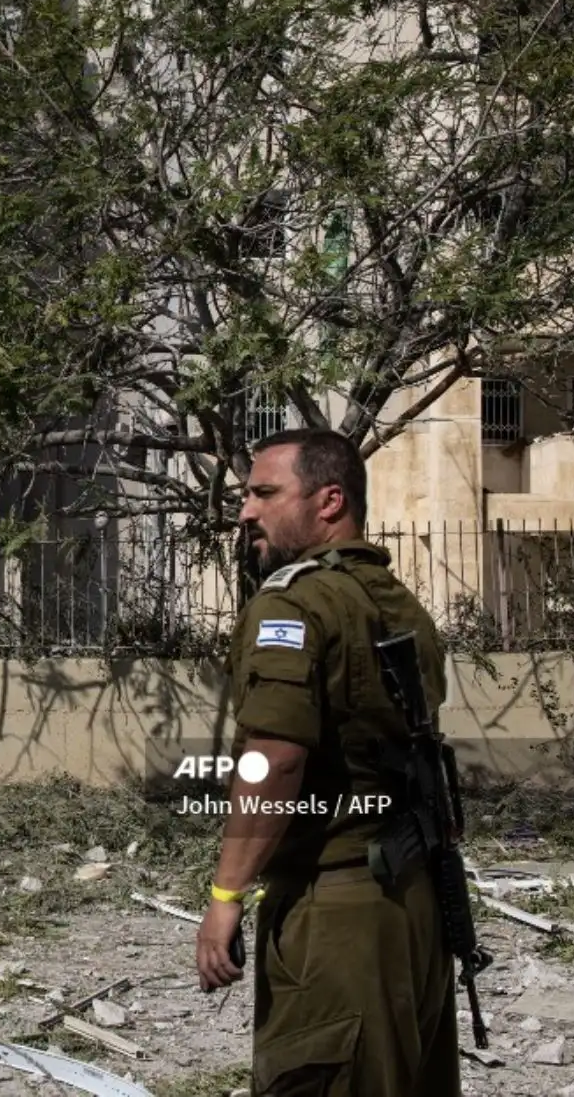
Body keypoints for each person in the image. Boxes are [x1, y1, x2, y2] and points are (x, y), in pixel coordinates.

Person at [194, 427, 460, 1096]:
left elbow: (276, 759)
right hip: (412, 905)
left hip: (337, 911)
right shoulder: (397, 603)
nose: (246, 511)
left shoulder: (294, 601)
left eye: (264, 492)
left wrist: (226, 896)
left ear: (330, 500)